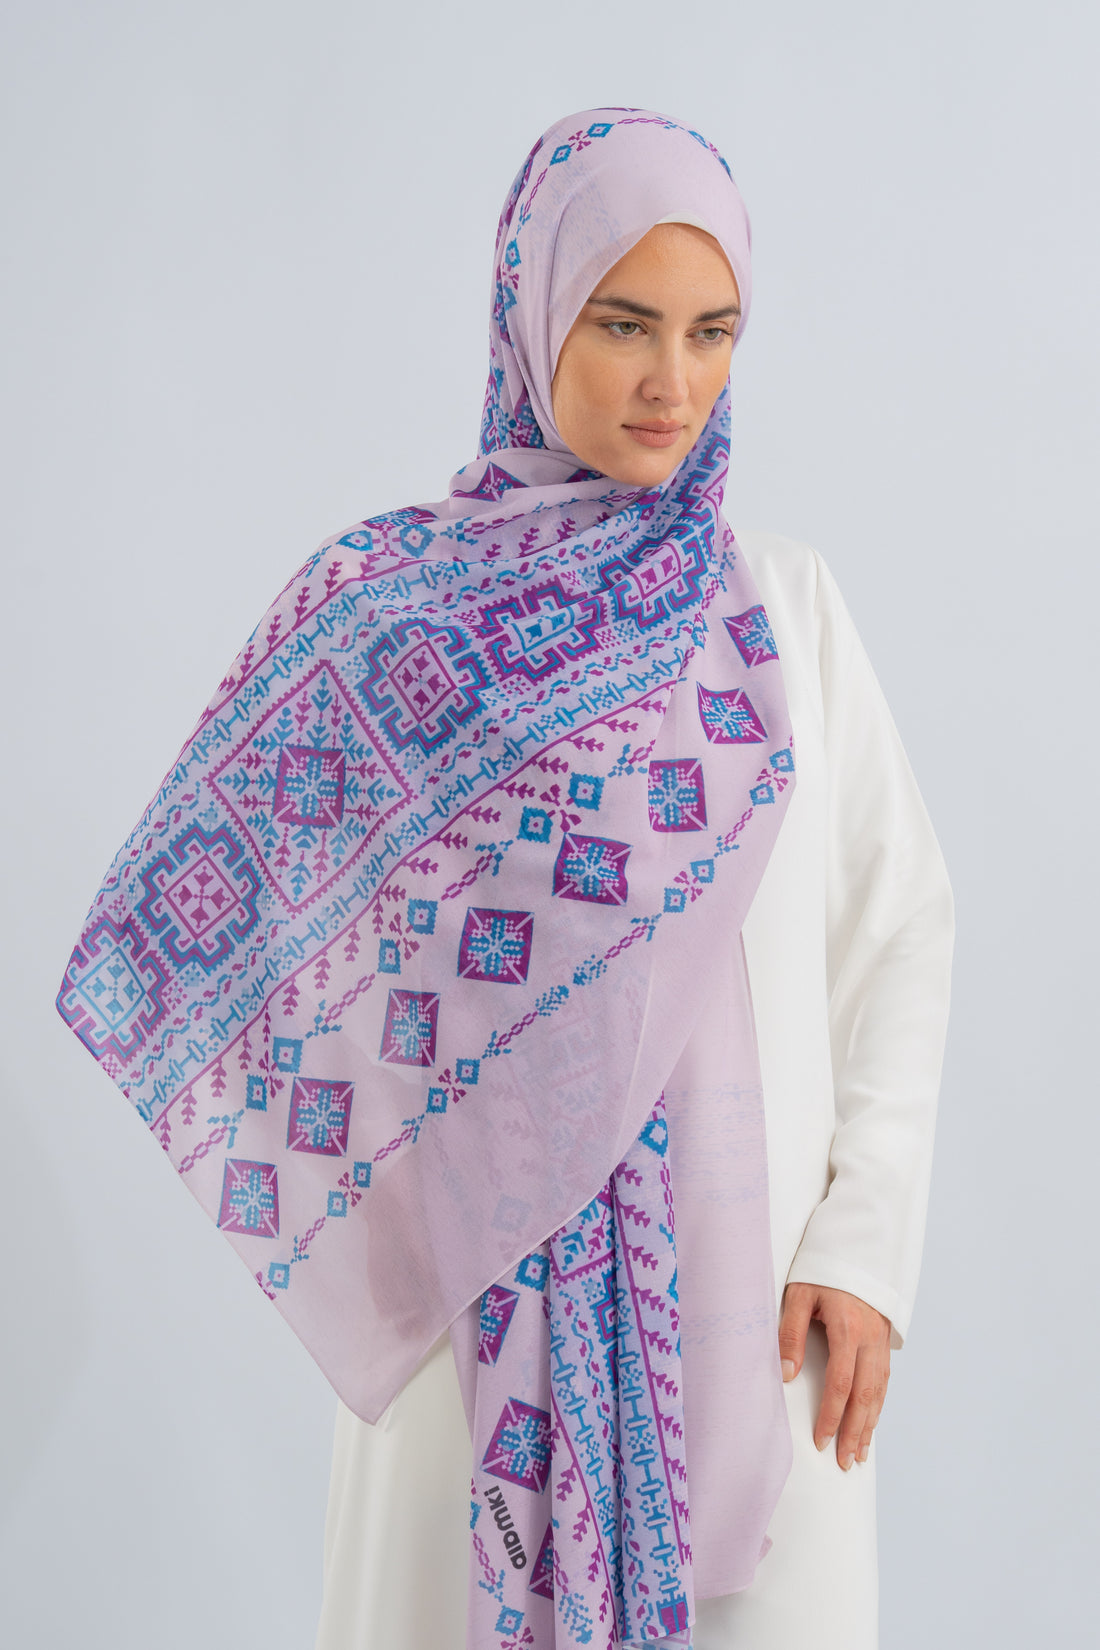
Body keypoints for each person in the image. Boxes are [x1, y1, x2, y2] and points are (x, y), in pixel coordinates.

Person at [57, 108, 953, 1650]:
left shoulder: (782, 611)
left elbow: (901, 931)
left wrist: (865, 1246)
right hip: (471, 1356)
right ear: (531, 317)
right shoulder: (388, 622)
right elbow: (219, 948)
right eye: (623, 323)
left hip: (760, 1336)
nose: (673, 382)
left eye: (712, 332)